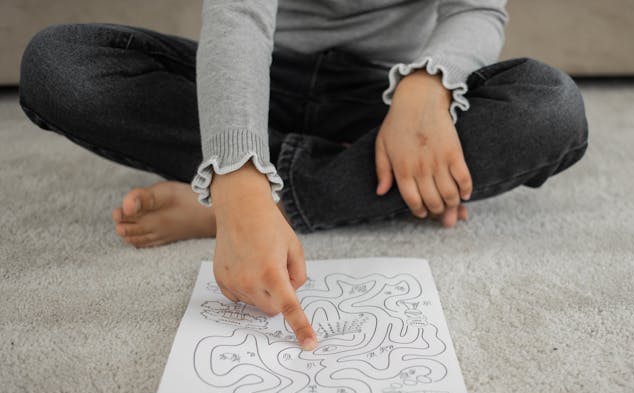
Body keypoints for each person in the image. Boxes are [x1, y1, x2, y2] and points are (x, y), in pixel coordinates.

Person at [18, 0, 589, 351]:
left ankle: (261, 202)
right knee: (58, 66)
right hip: (260, 80)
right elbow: (237, 16)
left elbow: (476, 9)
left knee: (550, 108)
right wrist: (239, 179)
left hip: (386, 95)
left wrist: (426, 88)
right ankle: (288, 185)